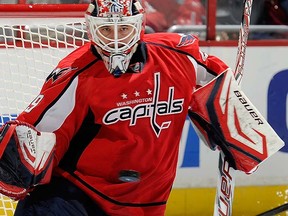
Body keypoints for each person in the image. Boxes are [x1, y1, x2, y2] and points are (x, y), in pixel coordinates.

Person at [0, 0, 283, 215]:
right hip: (75, 199)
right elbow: (34, 137)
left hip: (145, 202)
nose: (114, 39)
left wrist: (237, 125)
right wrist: (19, 160)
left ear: (139, 25)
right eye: (106, 29)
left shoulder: (178, 56)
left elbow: (215, 79)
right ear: (90, 27)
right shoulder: (76, 74)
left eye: (122, 28)